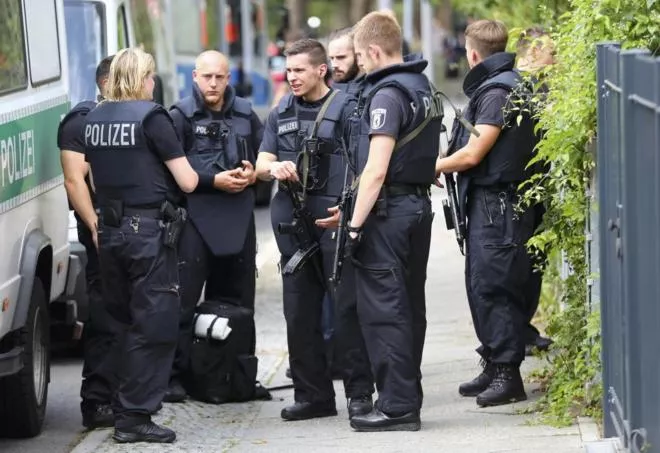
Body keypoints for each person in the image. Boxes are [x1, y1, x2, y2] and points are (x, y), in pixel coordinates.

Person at [84, 47, 227, 443]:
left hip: (110, 232)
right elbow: (187, 181)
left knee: (122, 322)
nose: (153, 84)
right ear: (141, 78)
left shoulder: (94, 119)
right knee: (155, 324)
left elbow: (95, 182)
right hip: (147, 234)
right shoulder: (152, 117)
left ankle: (119, 404)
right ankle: (134, 417)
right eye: (150, 77)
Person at [255, 38, 374, 422]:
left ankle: (359, 394)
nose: (291, 77)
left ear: (321, 70)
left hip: (334, 222)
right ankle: (313, 396)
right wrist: (272, 168)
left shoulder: (348, 109)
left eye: (299, 70)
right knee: (299, 314)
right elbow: (261, 161)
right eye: (288, 71)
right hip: (294, 226)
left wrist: (352, 211)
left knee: (346, 312)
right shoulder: (281, 111)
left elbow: (364, 166)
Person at [341, 11, 441, 432]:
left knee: (385, 312)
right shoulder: (423, 86)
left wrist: (353, 226)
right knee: (409, 307)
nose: (359, 67)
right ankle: (406, 395)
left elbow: (376, 170)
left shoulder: (386, 95)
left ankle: (398, 407)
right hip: (417, 210)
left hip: (389, 215)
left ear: (374, 50)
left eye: (361, 59)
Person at [434, 20, 538, 407]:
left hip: (498, 205)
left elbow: (475, 152)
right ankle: (494, 363)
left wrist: (437, 166)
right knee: (483, 284)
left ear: (473, 53)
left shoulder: (497, 91)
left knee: (495, 287)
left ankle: (508, 374)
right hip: (493, 204)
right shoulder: (507, 83)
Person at [167, 50, 263, 402]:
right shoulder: (178, 116)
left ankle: (238, 376)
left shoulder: (245, 114)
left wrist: (254, 173)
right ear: (194, 76)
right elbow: (170, 175)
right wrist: (213, 181)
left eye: (219, 77)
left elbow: (264, 156)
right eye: (206, 76)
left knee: (240, 302)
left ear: (228, 78)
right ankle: (175, 377)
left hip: (238, 218)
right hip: (195, 219)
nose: (213, 83)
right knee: (184, 304)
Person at [58, 55, 118, 430]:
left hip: (133, 229)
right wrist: (95, 226)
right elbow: (75, 180)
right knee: (105, 315)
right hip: (103, 228)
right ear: (107, 82)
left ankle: (124, 397)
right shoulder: (82, 119)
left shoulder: (138, 116)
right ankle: (97, 401)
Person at [515, 26, 556, 356]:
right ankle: (517, 331)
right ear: (531, 53)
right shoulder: (518, 89)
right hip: (521, 189)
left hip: (538, 188)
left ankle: (523, 328)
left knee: (534, 264)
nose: (554, 59)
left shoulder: (541, 87)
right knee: (521, 266)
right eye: (550, 52)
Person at [328, 27, 363, 95]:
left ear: (357, 55)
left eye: (341, 57)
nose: (334, 65)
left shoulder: (373, 92)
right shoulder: (328, 91)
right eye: (331, 58)